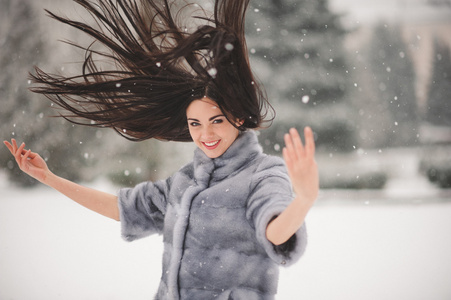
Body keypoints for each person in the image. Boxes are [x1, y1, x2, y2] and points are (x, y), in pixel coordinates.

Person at [4, 0, 319, 299]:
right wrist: (48, 178)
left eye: (216, 120)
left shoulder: (263, 174)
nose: (205, 134)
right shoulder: (185, 182)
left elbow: (276, 233)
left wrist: (303, 199)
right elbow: (121, 208)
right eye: (195, 123)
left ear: (237, 117)